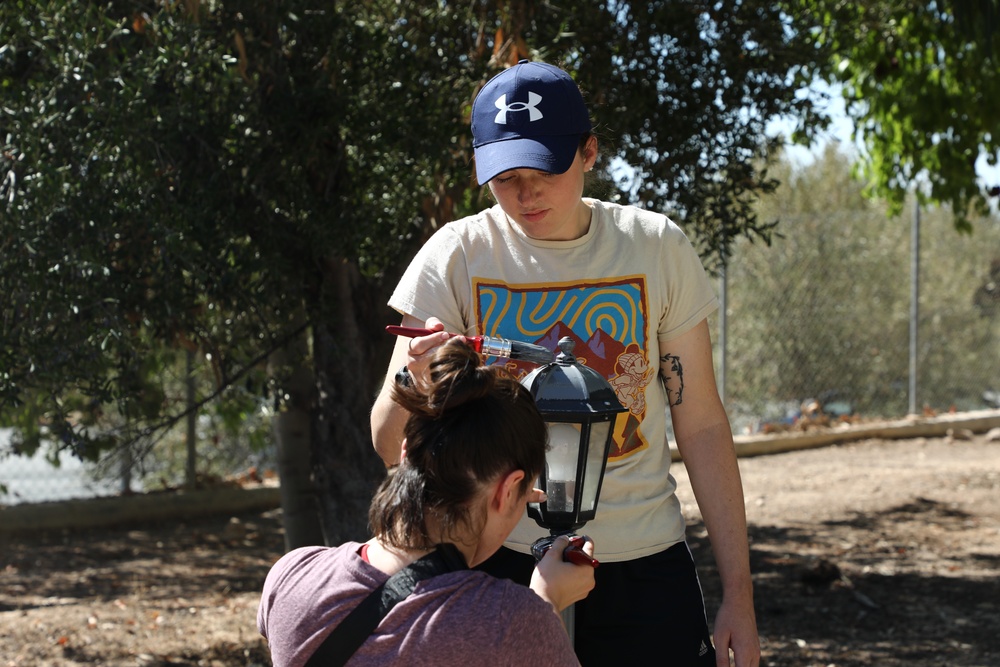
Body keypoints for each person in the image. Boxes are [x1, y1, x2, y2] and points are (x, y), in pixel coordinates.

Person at [370, 60, 760, 666]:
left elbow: (702, 423)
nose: (525, 194)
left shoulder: (656, 246)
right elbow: (387, 441)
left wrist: (739, 593)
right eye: (505, 176)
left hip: (642, 560)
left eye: (544, 169)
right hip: (495, 563)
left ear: (589, 152)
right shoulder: (455, 255)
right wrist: (412, 384)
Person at [260, 339, 596, 667]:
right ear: (507, 490)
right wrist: (547, 604)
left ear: (405, 455)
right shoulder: (512, 625)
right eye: (521, 496)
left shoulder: (291, 575)